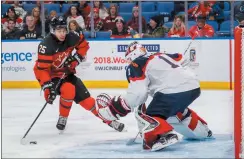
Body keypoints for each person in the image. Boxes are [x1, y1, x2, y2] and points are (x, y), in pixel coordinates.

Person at [95, 41, 213, 151]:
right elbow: (183, 58)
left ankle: (163, 135)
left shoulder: (136, 64)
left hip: (172, 90)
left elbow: (138, 95)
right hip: (193, 86)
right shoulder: (159, 55)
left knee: (147, 116)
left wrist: (115, 109)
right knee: (170, 113)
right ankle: (202, 131)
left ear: (131, 56)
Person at [33, 16, 124, 132]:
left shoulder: (72, 36)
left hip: (66, 73)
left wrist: (75, 59)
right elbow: (42, 70)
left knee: (87, 100)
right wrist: (47, 88)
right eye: (59, 31)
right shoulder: (46, 45)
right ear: (52, 31)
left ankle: (109, 121)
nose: (62, 34)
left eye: (64, 30)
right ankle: (63, 117)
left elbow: (84, 46)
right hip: (51, 75)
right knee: (68, 89)